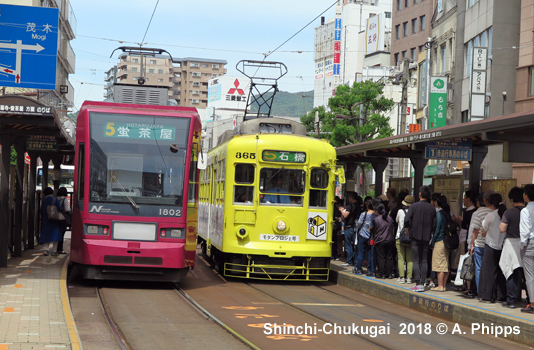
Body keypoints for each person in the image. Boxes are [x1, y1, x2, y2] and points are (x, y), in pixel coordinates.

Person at [404, 185, 436, 292]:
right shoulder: (432, 208)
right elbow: (434, 224)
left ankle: (418, 282)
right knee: (424, 260)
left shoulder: (414, 206)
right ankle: (423, 282)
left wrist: (408, 230)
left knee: (416, 260)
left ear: (420, 194)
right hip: (426, 237)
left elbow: (406, 220)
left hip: (415, 236)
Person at [478, 193, 507, 303]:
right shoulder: (504, 214)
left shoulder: (491, 215)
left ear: (490, 203)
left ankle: (488, 296)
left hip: (490, 246)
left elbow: (483, 231)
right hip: (502, 247)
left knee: (489, 272)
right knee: (501, 272)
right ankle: (501, 295)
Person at [499, 186, 525, 308]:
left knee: (510, 271)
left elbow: (502, 229)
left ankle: (511, 300)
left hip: (511, 243)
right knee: (528, 274)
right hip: (526, 243)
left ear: (512, 199)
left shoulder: (509, 212)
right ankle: (530, 300)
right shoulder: (528, 211)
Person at [467, 191, 494, 297]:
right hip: (489, 244)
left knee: (478, 268)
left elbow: (474, 230)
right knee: (489, 269)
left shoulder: (477, 213)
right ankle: (488, 291)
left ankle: (480, 291)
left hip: (479, 243)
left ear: (480, 202)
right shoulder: (493, 211)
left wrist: (471, 244)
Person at [430, 193, 452, 292]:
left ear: (435, 202)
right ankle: (443, 285)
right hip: (447, 241)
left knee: (439, 265)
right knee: (445, 264)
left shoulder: (439, 214)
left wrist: (432, 242)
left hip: (439, 241)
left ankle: (440, 286)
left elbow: (437, 230)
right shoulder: (447, 213)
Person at [519, 184, 534, 313]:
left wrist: (521, 246)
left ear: (526, 195)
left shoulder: (525, 210)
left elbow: (524, 231)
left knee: (530, 276)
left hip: (530, 244)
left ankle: (533, 304)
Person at [39, 187, 64, 256]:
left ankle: (46, 250)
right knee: (55, 235)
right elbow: (59, 208)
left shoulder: (44, 201)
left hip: (46, 220)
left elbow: (41, 211)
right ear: (52, 192)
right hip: (55, 220)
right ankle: (54, 250)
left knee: (46, 234)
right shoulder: (55, 200)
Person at [373, 202, 395, 279]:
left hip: (380, 240)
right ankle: (389, 273)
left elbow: (372, 229)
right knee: (389, 257)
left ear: (377, 211)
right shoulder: (389, 218)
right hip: (390, 240)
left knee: (381, 257)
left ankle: (381, 273)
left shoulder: (376, 219)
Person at [339, 192, 360, 267]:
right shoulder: (359, 206)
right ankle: (355, 261)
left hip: (349, 227)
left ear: (351, 197)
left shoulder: (350, 206)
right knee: (355, 245)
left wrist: (341, 210)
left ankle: (349, 261)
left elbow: (345, 215)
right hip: (356, 227)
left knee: (348, 245)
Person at [396, 194, 414, 283]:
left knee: (401, 258)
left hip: (400, 236)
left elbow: (396, 221)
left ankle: (402, 277)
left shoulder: (400, 211)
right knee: (410, 259)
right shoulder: (414, 212)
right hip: (410, 238)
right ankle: (409, 278)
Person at [354, 199, 375, 275]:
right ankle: (369, 269)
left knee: (360, 252)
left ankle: (359, 269)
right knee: (370, 253)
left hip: (362, 235)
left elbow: (359, 224)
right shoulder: (375, 214)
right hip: (371, 237)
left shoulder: (364, 214)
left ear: (367, 206)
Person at [56, 187, 71, 255]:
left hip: (56, 218)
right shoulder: (64, 199)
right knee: (62, 234)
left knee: (56, 233)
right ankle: (60, 249)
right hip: (62, 218)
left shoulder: (55, 199)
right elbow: (67, 209)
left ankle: (55, 248)